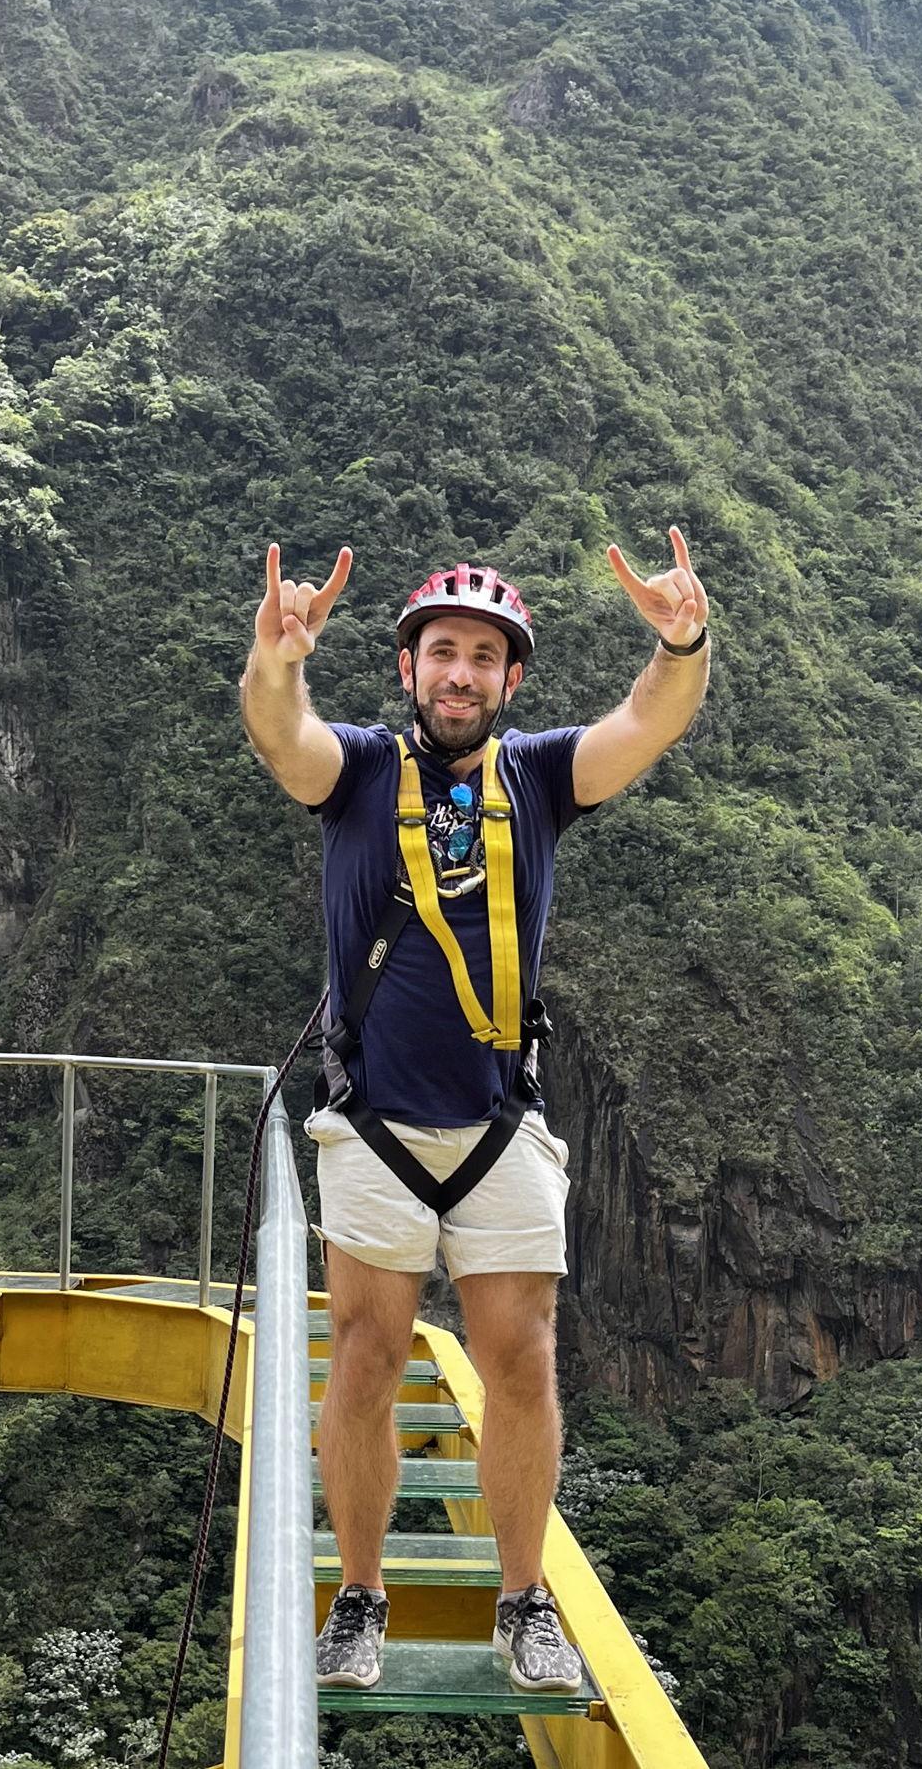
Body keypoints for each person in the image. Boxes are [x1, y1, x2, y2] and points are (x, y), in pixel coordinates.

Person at [238, 532, 711, 1693]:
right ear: (407, 671)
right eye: (441, 652)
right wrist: (277, 658)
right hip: (376, 1123)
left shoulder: (539, 778)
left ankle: (521, 1601)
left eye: (482, 658)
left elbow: (645, 723)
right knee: (362, 1356)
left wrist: (681, 640)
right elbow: (277, 733)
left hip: (500, 1119)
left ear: (508, 682)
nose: (459, 673)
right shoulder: (351, 771)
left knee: (519, 1359)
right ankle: (358, 1595)